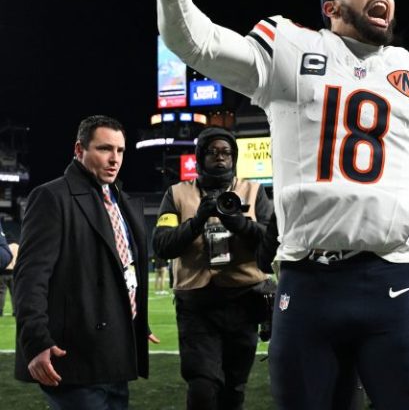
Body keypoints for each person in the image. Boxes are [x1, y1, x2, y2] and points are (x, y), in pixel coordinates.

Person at [144, 0, 409, 409]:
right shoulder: (291, 48)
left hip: (393, 280)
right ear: (331, 6)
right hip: (307, 282)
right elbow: (203, 46)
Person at [13, 115, 155, 409]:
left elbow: (123, 267)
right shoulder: (51, 197)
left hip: (116, 352)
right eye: (104, 149)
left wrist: (137, 321)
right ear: (79, 150)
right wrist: (36, 341)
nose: (114, 159)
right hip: (73, 355)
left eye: (120, 150)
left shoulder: (120, 200)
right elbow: (30, 278)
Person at [153, 126, 274, 410]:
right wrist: (197, 221)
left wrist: (239, 223)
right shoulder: (177, 193)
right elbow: (162, 245)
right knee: (202, 387)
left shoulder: (254, 190)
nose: (220, 157)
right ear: (199, 157)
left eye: (226, 152)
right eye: (212, 152)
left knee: (234, 389)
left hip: (244, 301)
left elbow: (272, 241)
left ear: (234, 158)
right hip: (197, 306)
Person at [0, 221, 17, 316]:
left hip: (3, 272)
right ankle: (15, 311)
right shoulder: (18, 247)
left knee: (1, 292)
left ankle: (0, 310)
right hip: (14, 273)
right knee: (14, 293)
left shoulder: (6, 247)